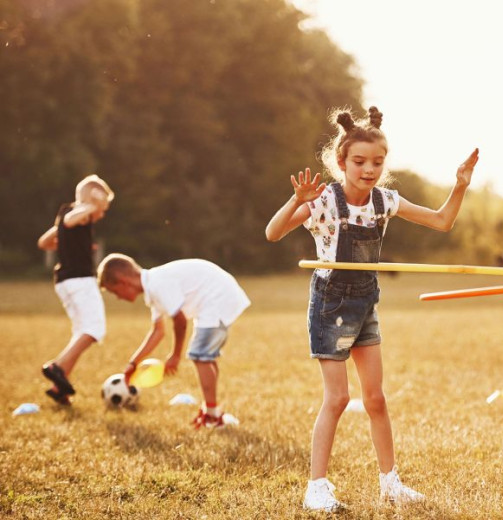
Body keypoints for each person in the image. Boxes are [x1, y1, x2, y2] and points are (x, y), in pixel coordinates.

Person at [265, 106, 478, 512]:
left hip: (365, 301)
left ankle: (390, 482)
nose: (369, 170)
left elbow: (442, 221)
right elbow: (273, 233)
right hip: (331, 304)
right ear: (341, 161)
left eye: (377, 162)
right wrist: (296, 200)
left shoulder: (385, 200)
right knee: (338, 398)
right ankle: (317, 486)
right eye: (359, 162)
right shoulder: (324, 199)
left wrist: (460, 186)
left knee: (376, 398)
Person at [97, 253, 250, 428]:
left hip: (217, 298)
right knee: (204, 356)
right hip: (215, 299)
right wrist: (133, 364)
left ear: (123, 281)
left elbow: (180, 320)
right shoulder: (152, 291)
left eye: (115, 292)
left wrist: (175, 355)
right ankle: (212, 411)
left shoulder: (157, 284)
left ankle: (213, 416)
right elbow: (157, 332)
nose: (118, 297)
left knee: (200, 356)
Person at [37, 175, 114, 405]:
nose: (102, 214)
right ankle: (57, 367)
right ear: (94, 201)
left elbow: (44, 242)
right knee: (94, 329)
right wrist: (91, 206)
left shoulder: (66, 218)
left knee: (81, 330)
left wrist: (69, 241)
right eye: (104, 208)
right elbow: (71, 221)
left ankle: (59, 387)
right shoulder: (79, 216)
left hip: (64, 282)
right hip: (80, 280)